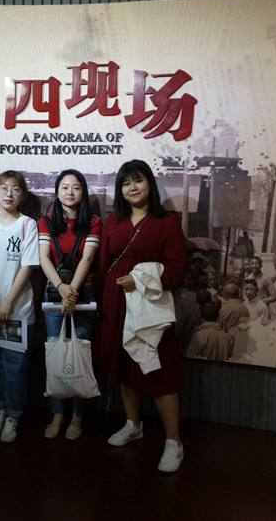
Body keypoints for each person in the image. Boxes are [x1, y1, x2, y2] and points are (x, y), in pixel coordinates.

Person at [94, 159, 187, 473]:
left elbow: (177, 270)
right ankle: (133, 424)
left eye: (138, 180)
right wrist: (101, 303)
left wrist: (141, 280)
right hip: (115, 303)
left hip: (150, 307)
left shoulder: (167, 222)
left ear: (150, 183)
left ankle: (174, 441)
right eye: (125, 183)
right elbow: (102, 265)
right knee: (124, 365)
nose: (132, 187)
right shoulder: (113, 221)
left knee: (160, 369)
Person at [0, 170, 39, 444]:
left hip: (17, 310)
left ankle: (14, 415)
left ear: (22, 195)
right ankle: (0, 409)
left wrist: (9, 301)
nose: (9, 194)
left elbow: (28, 266)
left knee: (15, 367)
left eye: (15, 189)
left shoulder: (27, 225)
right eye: (3, 188)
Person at [38, 169, 101, 441]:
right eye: (64, 187)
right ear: (57, 192)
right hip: (54, 292)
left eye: (76, 187)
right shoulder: (46, 222)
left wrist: (71, 292)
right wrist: (62, 289)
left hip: (83, 292)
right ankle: (57, 414)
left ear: (83, 192)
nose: (70, 192)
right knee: (56, 350)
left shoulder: (94, 222)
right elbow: (43, 258)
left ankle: (77, 416)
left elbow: (88, 258)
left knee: (80, 350)